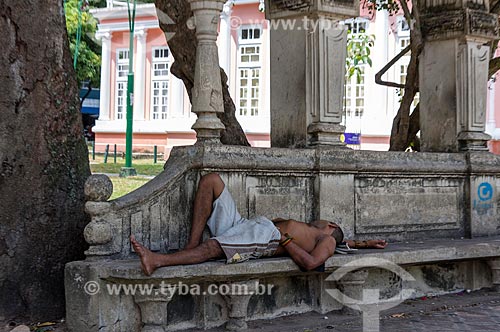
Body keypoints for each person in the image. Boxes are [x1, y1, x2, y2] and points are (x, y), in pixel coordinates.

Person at [131, 173, 387, 276]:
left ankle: (158, 261)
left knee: (214, 248)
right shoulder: (326, 237)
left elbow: (312, 264)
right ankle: (190, 246)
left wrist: (284, 240)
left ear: (330, 225)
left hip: (265, 237)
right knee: (211, 181)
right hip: (250, 225)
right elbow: (346, 243)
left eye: (324, 220)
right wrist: (364, 243)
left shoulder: (327, 239)